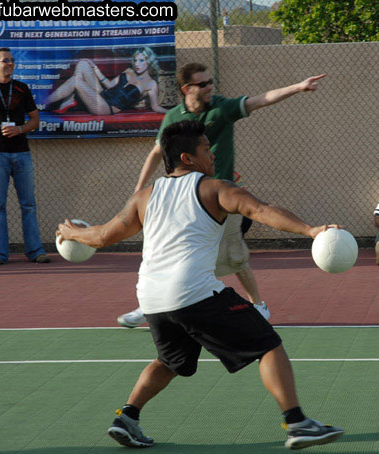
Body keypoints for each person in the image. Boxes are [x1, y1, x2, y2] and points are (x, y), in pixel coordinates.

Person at [56, 121, 344, 450]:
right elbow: (260, 210)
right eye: (206, 149)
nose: (212, 153)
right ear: (187, 157)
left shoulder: (145, 197)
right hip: (192, 291)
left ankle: (127, 417)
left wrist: (72, 233)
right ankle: (298, 424)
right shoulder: (212, 188)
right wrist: (311, 230)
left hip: (151, 297)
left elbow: (104, 236)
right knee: (268, 345)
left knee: (170, 361)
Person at [117, 62, 326, 327]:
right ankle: (148, 307)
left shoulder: (221, 108)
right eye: (202, 84)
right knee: (165, 252)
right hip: (186, 200)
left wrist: (298, 87)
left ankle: (259, 306)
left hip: (220, 200)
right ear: (186, 88)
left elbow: (261, 100)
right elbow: (157, 152)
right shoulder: (174, 118)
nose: (209, 87)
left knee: (234, 257)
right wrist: (139, 188)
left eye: (210, 82)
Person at [0, 47, 50, 266]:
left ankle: (35, 251)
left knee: (28, 204)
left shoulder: (22, 89)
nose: (11, 64)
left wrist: (20, 130)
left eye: (13, 60)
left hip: (21, 154)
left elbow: (35, 120)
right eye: (6, 60)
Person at [46, 47, 167, 115]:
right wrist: (95, 68)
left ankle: (42, 104)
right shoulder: (129, 71)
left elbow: (155, 106)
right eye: (135, 60)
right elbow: (109, 85)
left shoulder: (151, 84)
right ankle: (69, 100)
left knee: (76, 81)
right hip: (103, 94)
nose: (137, 64)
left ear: (149, 62)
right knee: (83, 63)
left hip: (106, 107)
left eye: (141, 61)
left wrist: (171, 112)